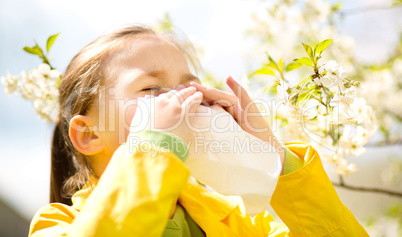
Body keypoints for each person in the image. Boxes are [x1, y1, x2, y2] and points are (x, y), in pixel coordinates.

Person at [28, 25, 368, 236]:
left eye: (192, 86)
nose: (186, 98)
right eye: (151, 89)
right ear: (89, 134)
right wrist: (153, 146)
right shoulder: (57, 224)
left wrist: (273, 156)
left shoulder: (243, 224)